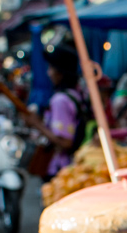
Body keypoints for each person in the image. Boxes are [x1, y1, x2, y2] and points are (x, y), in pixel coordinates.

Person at [21, 47, 90, 179]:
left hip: (60, 167)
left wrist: (37, 124)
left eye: (51, 68)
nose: (48, 73)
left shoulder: (60, 100)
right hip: (72, 164)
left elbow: (65, 142)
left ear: (60, 73)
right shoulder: (76, 93)